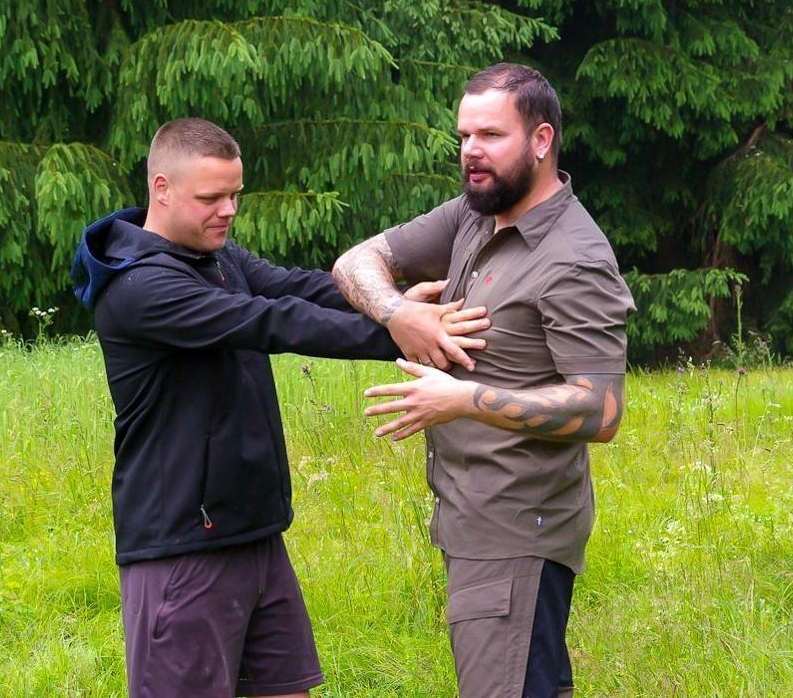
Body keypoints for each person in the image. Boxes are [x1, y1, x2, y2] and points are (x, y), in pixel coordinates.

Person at [70, 118, 488, 698]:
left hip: (256, 532)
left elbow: (298, 288)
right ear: (161, 188)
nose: (227, 211)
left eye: (235, 195)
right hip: (181, 549)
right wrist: (403, 329)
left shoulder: (217, 256)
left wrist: (389, 303)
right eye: (210, 198)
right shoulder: (141, 289)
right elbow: (271, 322)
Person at [332, 63, 636, 698]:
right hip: (471, 518)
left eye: (491, 135)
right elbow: (356, 262)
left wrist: (462, 398)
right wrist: (399, 313)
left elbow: (602, 410)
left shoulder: (575, 260)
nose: (471, 150)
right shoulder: (475, 214)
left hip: (518, 529)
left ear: (542, 140)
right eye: (465, 136)